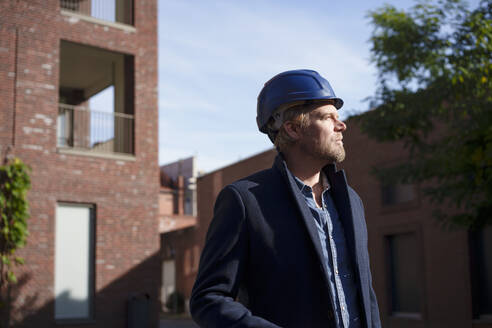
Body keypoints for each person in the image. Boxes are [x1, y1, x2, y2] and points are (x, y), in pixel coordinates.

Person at [190, 69, 381, 328]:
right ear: (292, 129)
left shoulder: (352, 201)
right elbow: (208, 299)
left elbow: (365, 296)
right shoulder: (244, 201)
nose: (341, 125)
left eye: (339, 117)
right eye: (327, 117)